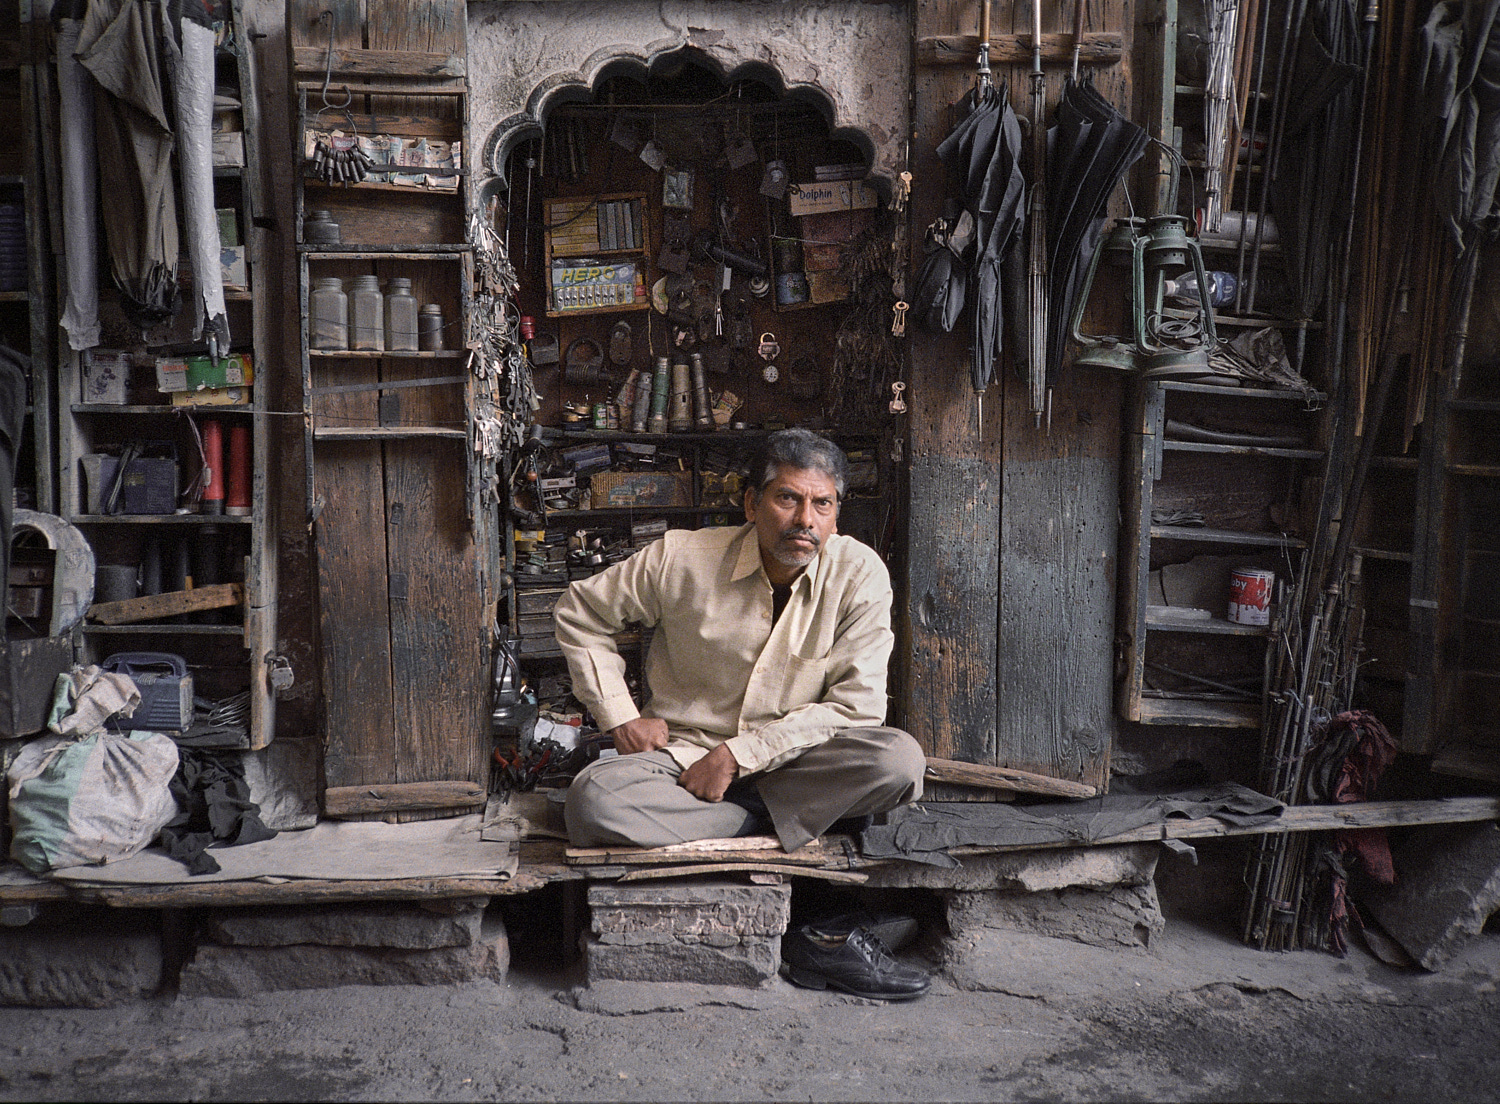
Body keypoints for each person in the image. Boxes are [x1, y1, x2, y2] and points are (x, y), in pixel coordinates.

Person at [555, 427, 930, 998]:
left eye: (821, 504)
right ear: (751, 503)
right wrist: (619, 715)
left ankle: (748, 815)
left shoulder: (859, 573)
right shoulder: (682, 556)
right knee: (593, 802)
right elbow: (580, 612)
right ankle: (775, 826)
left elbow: (857, 708)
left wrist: (739, 756)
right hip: (684, 762)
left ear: (835, 514)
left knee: (899, 761)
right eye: (787, 498)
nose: (805, 518)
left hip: (795, 760)